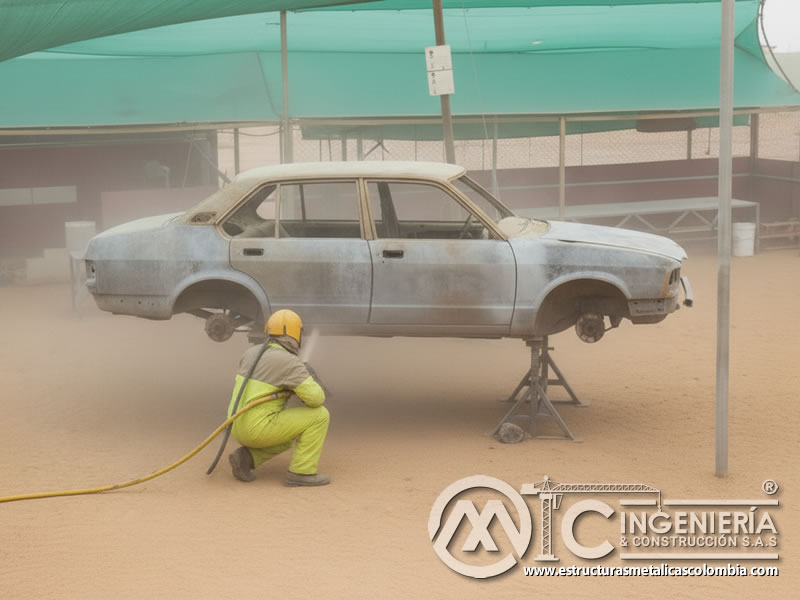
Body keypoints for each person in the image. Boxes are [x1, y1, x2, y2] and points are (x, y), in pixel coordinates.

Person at [227, 309, 330, 487]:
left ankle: (246, 458)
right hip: (257, 429)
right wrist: (308, 377)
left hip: (234, 425)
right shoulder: (289, 362)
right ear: (295, 333)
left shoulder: (251, 353)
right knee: (320, 415)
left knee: (290, 430)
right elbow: (316, 399)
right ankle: (301, 473)